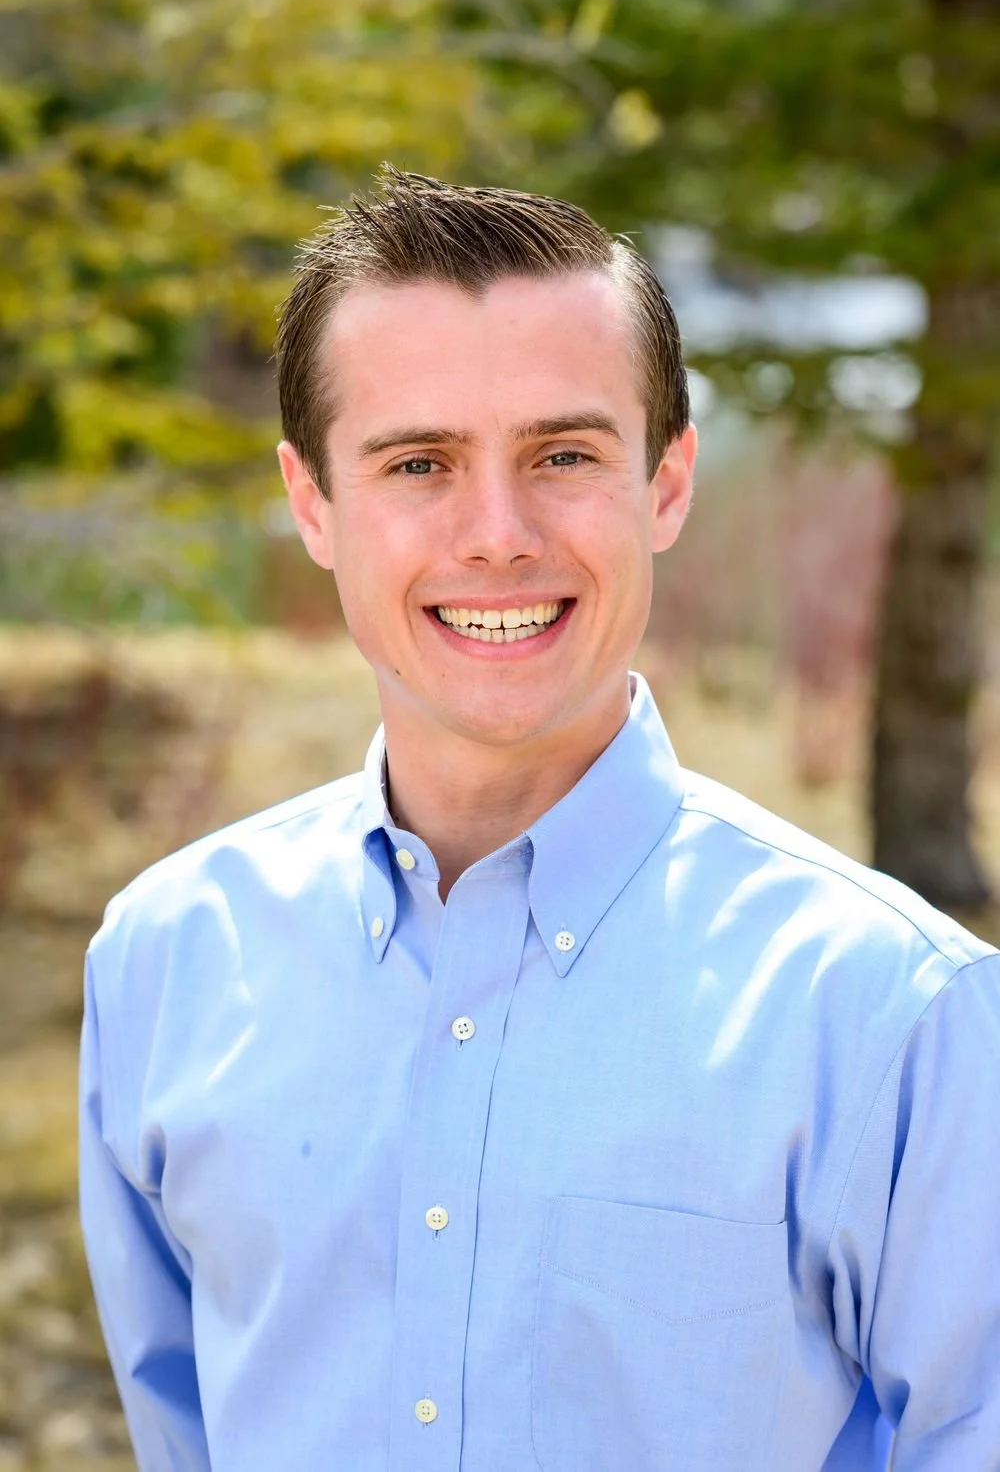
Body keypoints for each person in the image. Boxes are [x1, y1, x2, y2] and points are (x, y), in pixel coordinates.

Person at [79, 167, 1000, 1472]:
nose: (498, 535)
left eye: (563, 456)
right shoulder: (163, 963)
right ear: (311, 504)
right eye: (420, 463)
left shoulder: (895, 1018)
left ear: (667, 485)